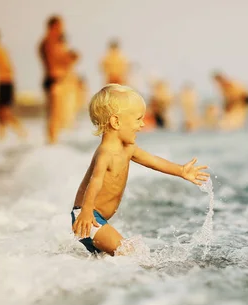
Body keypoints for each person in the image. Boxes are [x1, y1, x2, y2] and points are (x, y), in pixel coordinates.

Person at [71, 84, 209, 255]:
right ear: (116, 122)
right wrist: (85, 212)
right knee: (128, 253)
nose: (142, 124)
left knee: (113, 258)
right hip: (87, 216)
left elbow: (153, 160)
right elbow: (95, 181)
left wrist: (181, 170)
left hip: (96, 218)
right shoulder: (106, 152)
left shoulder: (128, 148)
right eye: (138, 119)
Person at [38, 16, 74, 144]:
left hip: (54, 79)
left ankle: (53, 142)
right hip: (54, 80)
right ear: (54, 27)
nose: (62, 29)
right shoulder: (49, 42)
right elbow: (53, 63)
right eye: (60, 26)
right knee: (54, 114)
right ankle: (52, 142)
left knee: (55, 114)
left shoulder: (51, 42)